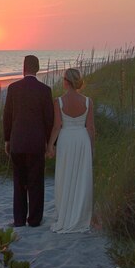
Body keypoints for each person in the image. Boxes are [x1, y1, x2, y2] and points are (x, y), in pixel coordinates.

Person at [3, 55, 54, 227]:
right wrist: (50, 143)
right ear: (38, 69)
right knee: (36, 182)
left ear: (23, 68)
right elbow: (49, 119)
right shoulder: (45, 90)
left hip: (17, 141)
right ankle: (34, 219)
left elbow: (7, 116)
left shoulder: (13, 88)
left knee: (19, 183)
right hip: (36, 142)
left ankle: (19, 219)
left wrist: (7, 139)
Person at [47, 68, 95, 233]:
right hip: (82, 140)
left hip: (66, 140)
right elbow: (90, 128)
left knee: (65, 175)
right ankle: (80, 215)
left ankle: (65, 213)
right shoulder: (88, 101)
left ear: (66, 81)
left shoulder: (59, 101)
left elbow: (57, 126)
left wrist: (50, 146)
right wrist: (92, 148)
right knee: (81, 177)